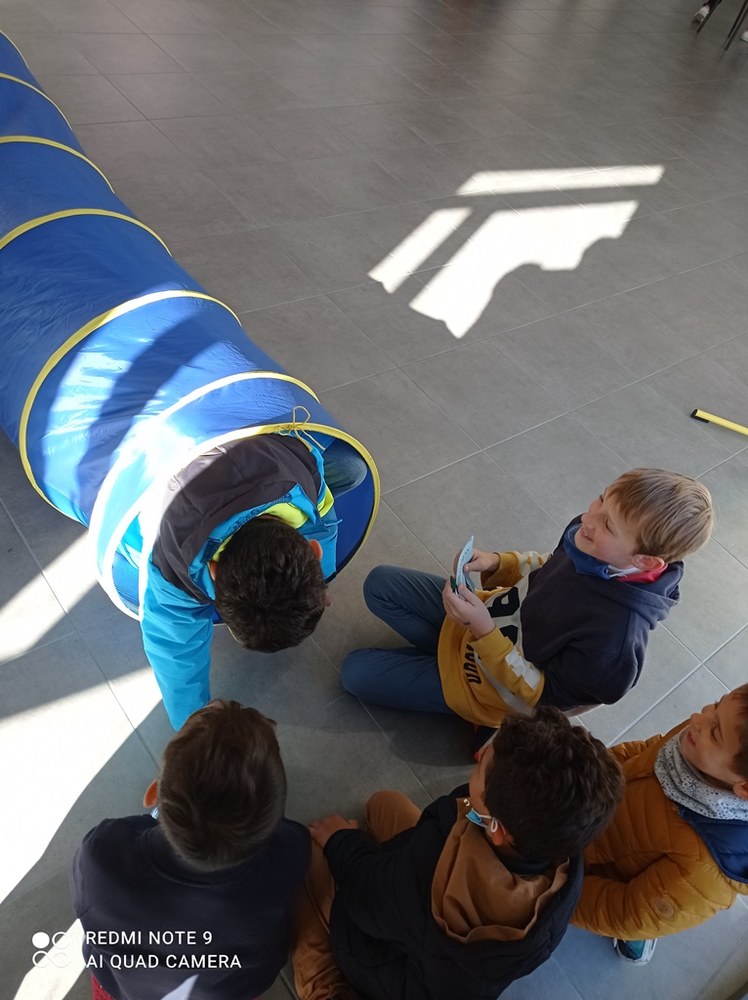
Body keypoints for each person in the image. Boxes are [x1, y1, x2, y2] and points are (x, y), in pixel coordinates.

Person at [341, 469, 713, 739]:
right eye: (601, 499)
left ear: (645, 561)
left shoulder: (614, 646)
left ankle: (476, 718)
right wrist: (498, 564)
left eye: (609, 525)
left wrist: (482, 631)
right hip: (481, 625)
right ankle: (435, 661)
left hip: (484, 688)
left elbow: (543, 699)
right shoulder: (591, 538)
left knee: (354, 673)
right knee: (380, 584)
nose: (587, 518)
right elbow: (550, 563)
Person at [292, 707, 624, 1000]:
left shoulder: (430, 878)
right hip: (439, 954)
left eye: (481, 770)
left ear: (497, 829)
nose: (475, 768)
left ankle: (324, 988)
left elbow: (366, 899)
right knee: (384, 804)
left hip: (398, 974)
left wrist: (341, 841)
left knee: (310, 854)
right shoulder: (563, 857)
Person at [70, 700, 310, 1000]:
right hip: (226, 990)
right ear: (273, 824)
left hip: (123, 988)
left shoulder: (103, 855)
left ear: (153, 793)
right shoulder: (290, 853)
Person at [142, 431, 367, 728]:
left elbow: (322, 523)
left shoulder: (304, 470)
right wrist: (190, 720)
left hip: (256, 457)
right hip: (169, 462)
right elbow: (172, 643)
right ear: (212, 571)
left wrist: (318, 579)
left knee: (351, 467)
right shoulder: (176, 556)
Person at [573, 684, 748, 964]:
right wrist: (595, 770)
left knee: (649, 913)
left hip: (608, 877)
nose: (697, 718)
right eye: (716, 704)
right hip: (591, 824)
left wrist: (558, 888)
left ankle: (639, 940)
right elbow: (646, 751)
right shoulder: (697, 740)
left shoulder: (705, 872)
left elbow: (625, 912)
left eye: (715, 733)